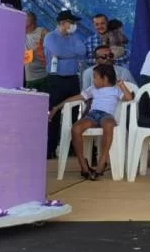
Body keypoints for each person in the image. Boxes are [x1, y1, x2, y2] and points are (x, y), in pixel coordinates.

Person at [50, 64, 133, 180]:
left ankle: (102, 160)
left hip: (107, 116)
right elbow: (77, 97)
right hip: (92, 115)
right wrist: (57, 107)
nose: (92, 80)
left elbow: (129, 98)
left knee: (109, 125)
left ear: (105, 79)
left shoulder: (116, 90)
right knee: (76, 129)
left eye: (95, 77)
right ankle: (83, 164)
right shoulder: (92, 89)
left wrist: (122, 85)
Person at [44, 10, 87, 159]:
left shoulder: (74, 37)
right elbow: (58, 51)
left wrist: (68, 53)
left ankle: (71, 148)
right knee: (53, 114)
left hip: (72, 79)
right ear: (63, 23)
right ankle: (50, 148)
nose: (74, 26)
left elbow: (83, 51)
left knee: (74, 114)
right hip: (55, 79)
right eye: (72, 22)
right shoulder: (50, 37)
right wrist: (71, 53)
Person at [24, 11, 49, 91]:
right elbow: (23, 59)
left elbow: (53, 51)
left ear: (32, 22)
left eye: (26, 19)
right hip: (31, 79)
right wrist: (36, 52)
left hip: (45, 76)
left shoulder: (42, 32)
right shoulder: (18, 34)